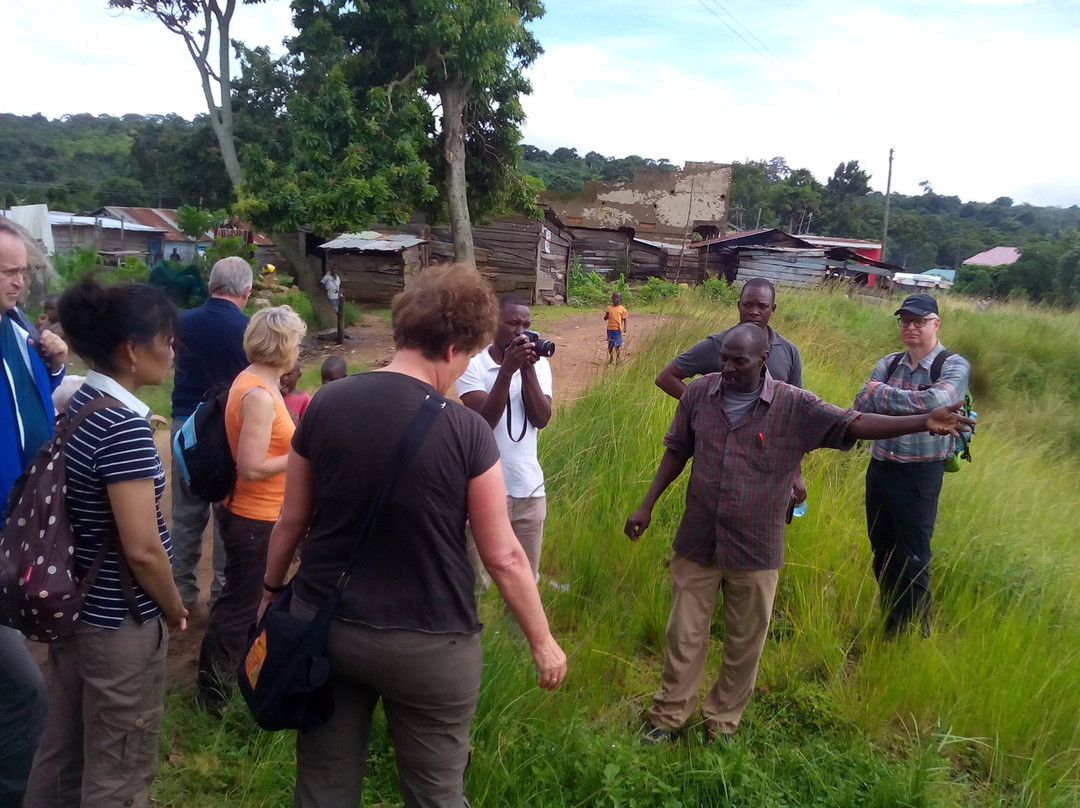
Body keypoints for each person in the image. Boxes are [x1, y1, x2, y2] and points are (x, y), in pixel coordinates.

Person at [260, 264, 567, 808]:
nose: (467, 365)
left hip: (325, 624)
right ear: (451, 348)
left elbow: (291, 520)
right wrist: (542, 641)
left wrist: (268, 592)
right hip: (430, 641)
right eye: (470, 355)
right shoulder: (466, 430)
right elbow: (503, 555)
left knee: (323, 784)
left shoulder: (326, 403)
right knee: (435, 793)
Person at [625, 323, 970, 744]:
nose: (728, 367)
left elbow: (854, 423)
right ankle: (668, 716)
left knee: (744, 641)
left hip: (754, 545)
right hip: (698, 537)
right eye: (724, 358)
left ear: (763, 360)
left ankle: (721, 723)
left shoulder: (793, 405)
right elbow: (678, 449)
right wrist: (647, 503)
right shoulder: (700, 393)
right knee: (683, 634)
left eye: (739, 360)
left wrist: (921, 420)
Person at [24, 280, 187, 808]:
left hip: (76, 608)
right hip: (119, 622)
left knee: (63, 752)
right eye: (167, 339)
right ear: (133, 351)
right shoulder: (123, 428)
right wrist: (173, 605)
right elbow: (142, 548)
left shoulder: (78, 402)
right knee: (119, 771)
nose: (173, 350)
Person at [197, 305, 305, 707]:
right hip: (254, 516)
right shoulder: (259, 394)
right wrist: (301, 452)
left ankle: (235, 680)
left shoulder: (255, 380)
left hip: (255, 513)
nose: (299, 348)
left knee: (242, 601)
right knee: (239, 606)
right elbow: (252, 466)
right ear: (284, 344)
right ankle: (213, 695)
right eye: (296, 341)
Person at [853, 293, 970, 637]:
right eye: (905, 321)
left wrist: (882, 395)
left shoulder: (952, 364)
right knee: (881, 549)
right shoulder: (889, 362)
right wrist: (920, 411)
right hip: (880, 467)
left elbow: (939, 401)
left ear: (936, 323)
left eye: (919, 321)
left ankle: (917, 631)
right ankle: (892, 619)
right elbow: (860, 402)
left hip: (921, 472)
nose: (910, 327)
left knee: (914, 555)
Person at [0, 220, 65, 808]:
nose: (19, 281)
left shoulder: (17, 328)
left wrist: (57, 362)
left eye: (22, 269)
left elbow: (32, 403)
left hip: (18, 524)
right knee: (24, 695)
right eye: (6, 271)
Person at [655, 277, 807, 501]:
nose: (754, 312)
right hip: (720, 457)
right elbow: (666, 377)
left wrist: (796, 473)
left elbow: (795, 416)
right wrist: (703, 406)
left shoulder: (788, 352)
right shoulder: (718, 344)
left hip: (766, 458)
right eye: (747, 305)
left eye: (762, 306)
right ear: (738, 306)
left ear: (772, 309)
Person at [170, 256, 252, 611]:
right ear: (247, 292)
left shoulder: (181, 323)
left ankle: (180, 596)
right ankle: (222, 597)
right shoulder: (250, 330)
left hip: (185, 428)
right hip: (229, 431)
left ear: (209, 287)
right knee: (226, 515)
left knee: (186, 516)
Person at [455, 294, 553, 588]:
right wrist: (507, 371)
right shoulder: (472, 365)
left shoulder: (538, 366)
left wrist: (526, 369)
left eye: (526, 324)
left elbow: (541, 418)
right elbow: (483, 422)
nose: (520, 332)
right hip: (484, 488)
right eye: (512, 323)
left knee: (525, 579)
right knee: (477, 583)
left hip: (528, 487)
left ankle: (519, 634)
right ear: (494, 324)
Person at [280, 360, 311, 424]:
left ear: (299, 376)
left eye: (289, 375)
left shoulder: (304, 398)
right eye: (283, 374)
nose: (285, 378)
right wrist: (280, 395)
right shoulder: (274, 394)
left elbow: (306, 421)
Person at [604, 290, 629, 364]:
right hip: (610, 329)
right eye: (614, 297)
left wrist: (625, 327)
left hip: (617, 329)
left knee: (617, 345)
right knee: (610, 345)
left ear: (620, 299)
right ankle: (611, 358)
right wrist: (606, 316)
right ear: (612, 298)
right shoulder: (609, 308)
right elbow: (605, 318)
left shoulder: (622, 309)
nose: (615, 299)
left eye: (617, 298)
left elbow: (624, 318)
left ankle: (618, 358)